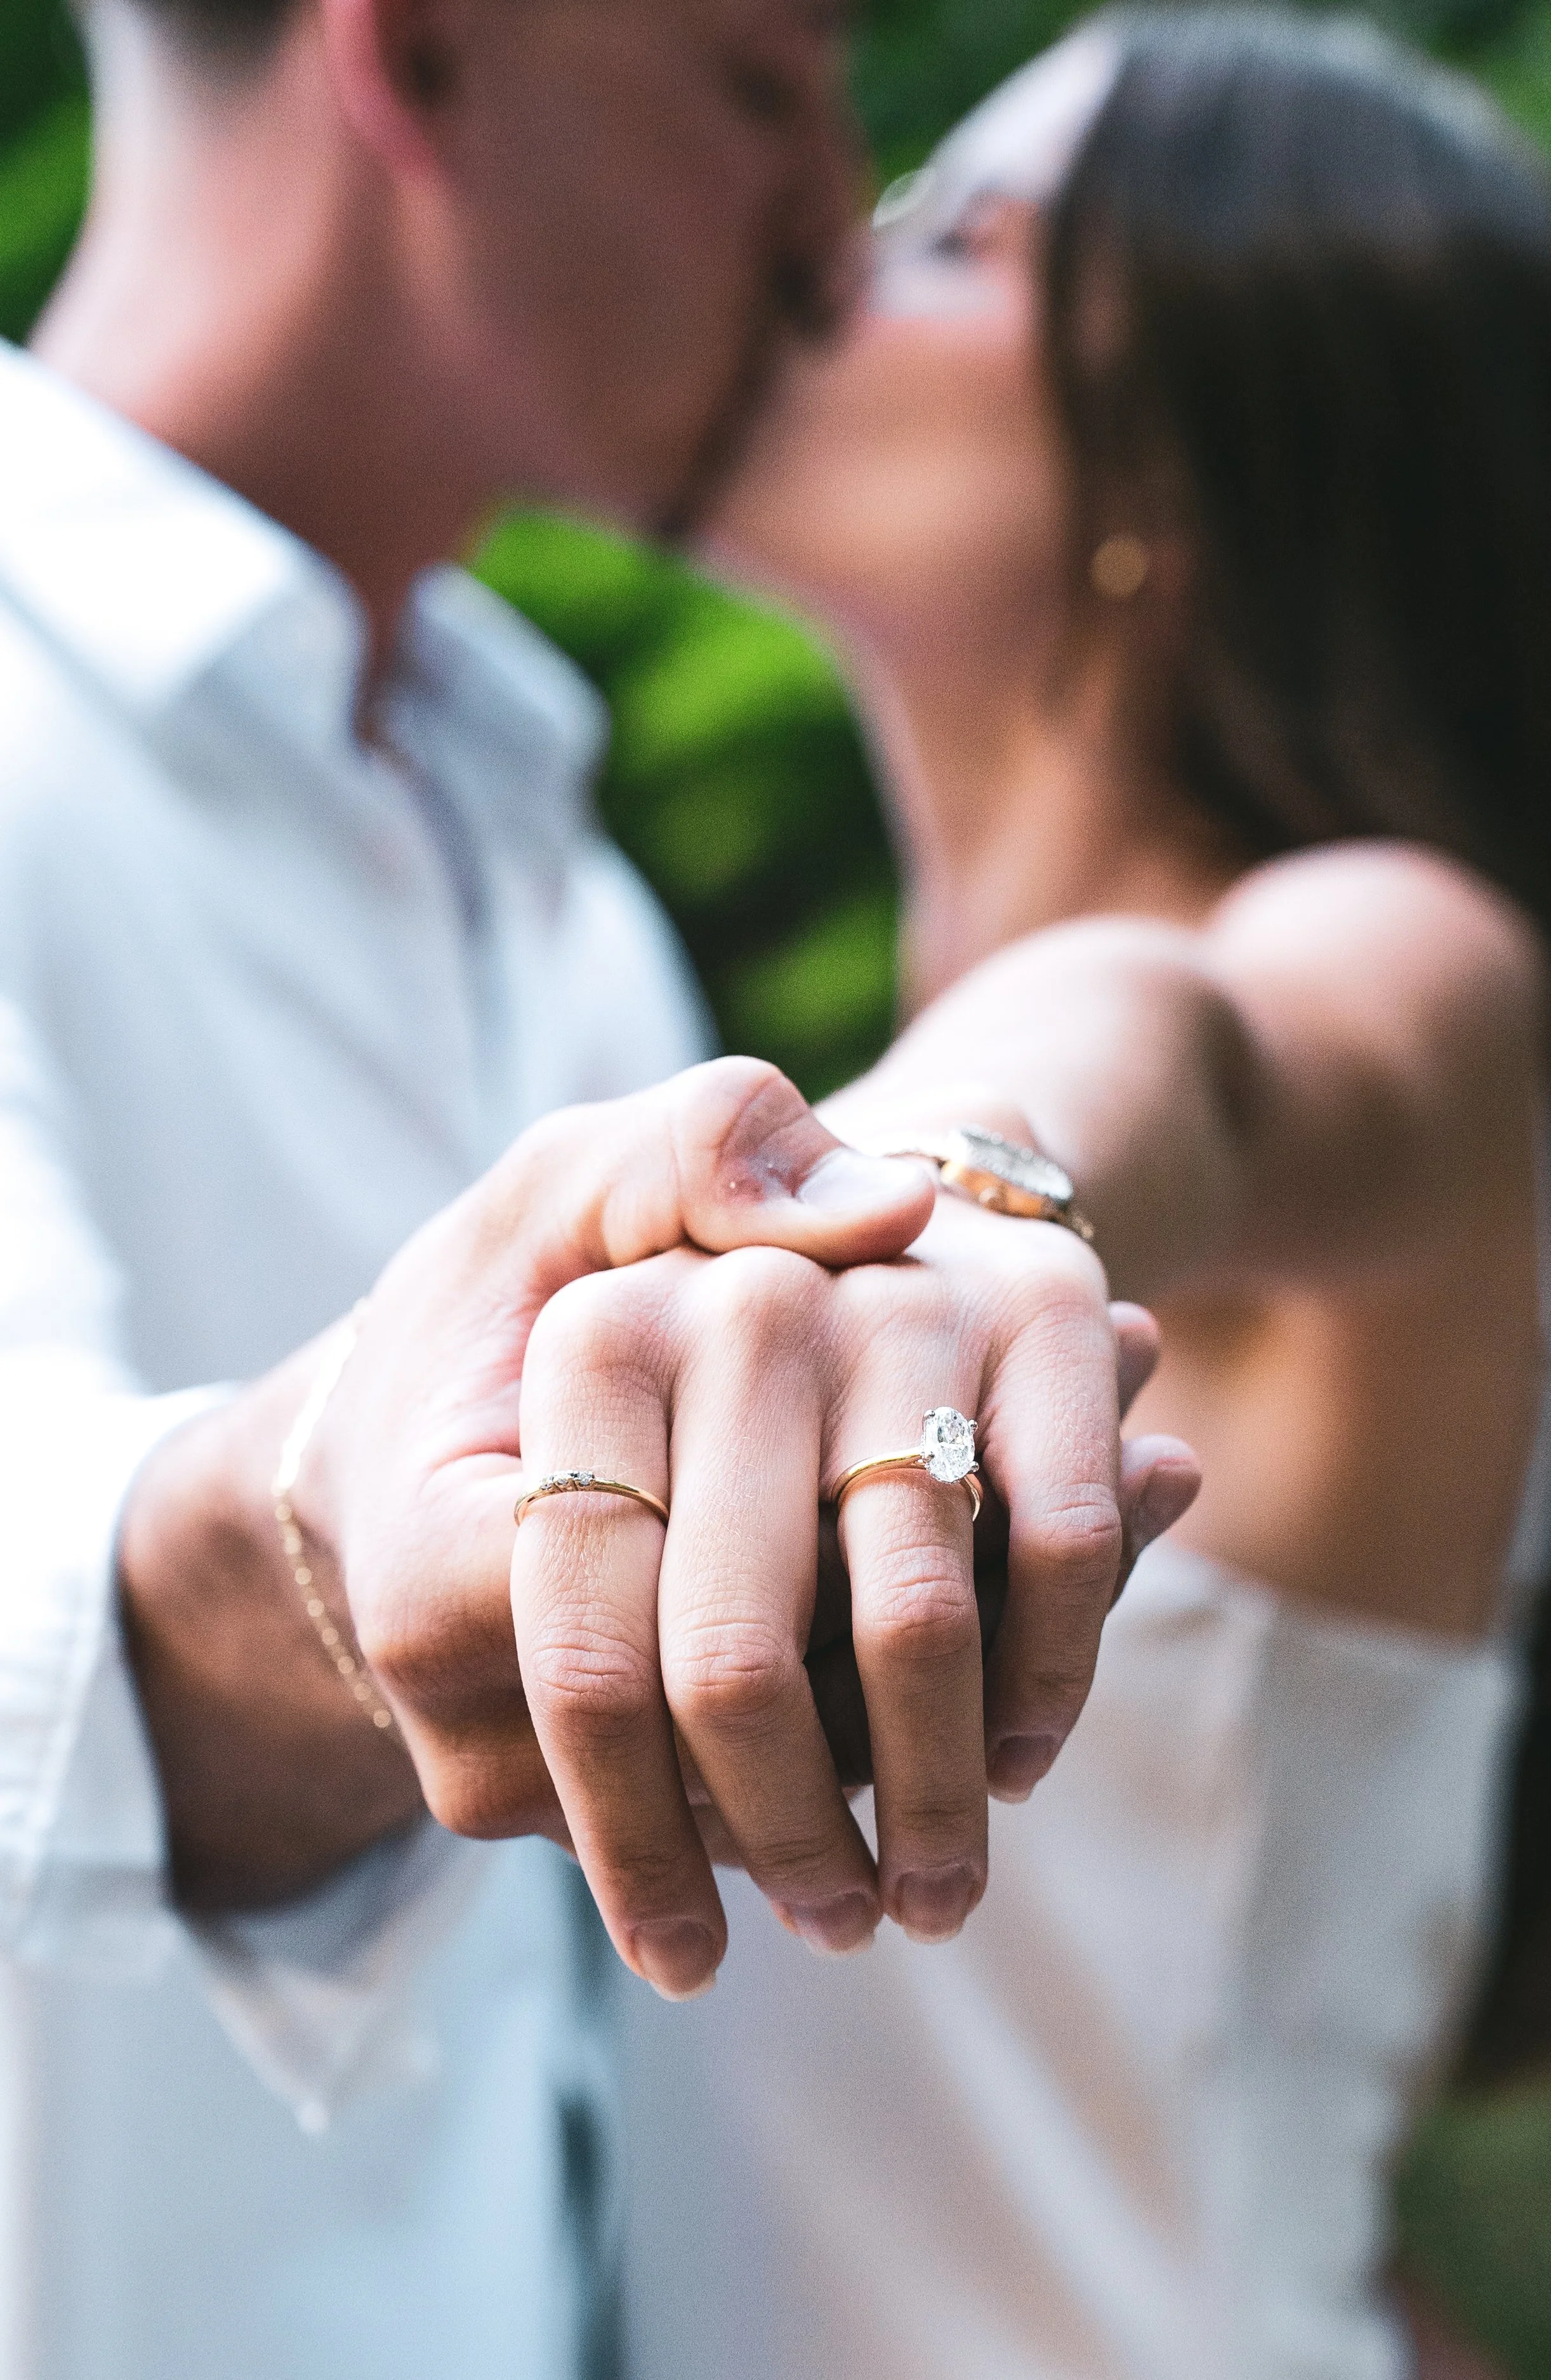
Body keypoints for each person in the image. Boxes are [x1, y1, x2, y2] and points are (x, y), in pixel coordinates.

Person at [0, 0, 1201, 2370]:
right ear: (414, 59)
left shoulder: (571, 909)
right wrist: (312, 1524)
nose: (832, 265)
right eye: (754, 92)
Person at [620, 12, 1551, 2379]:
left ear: (1189, 431)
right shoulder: (636, 1003)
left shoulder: (1404, 969)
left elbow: (1189, 1050)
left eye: (959, 235)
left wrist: (951, 1195)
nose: (822, 258)